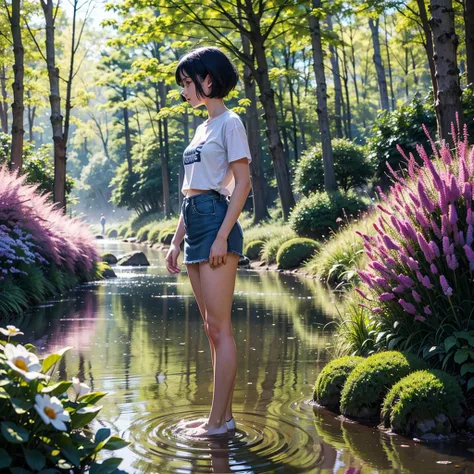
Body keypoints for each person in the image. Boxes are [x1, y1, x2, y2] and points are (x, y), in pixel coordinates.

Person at [165, 46, 252, 438]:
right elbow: (191, 191)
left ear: (209, 80)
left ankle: (217, 423)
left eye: (188, 82)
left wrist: (221, 237)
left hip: (217, 221)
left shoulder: (230, 123)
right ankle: (223, 417)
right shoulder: (202, 128)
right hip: (194, 220)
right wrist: (175, 240)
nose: (185, 90)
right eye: (183, 84)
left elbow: (242, 183)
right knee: (209, 328)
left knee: (221, 327)